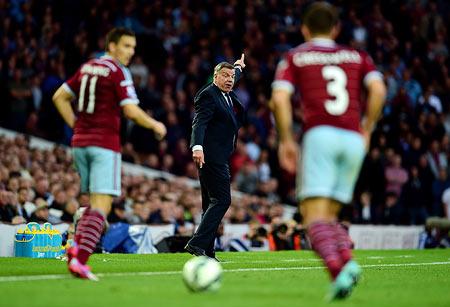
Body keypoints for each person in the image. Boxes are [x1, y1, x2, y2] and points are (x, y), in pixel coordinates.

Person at [270, 2, 386, 300]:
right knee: (330, 215)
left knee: (312, 217)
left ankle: (339, 271)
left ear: (305, 29)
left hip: (320, 134)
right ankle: (347, 261)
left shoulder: (296, 55)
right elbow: (378, 89)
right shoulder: (358, 55)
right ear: (336, 29)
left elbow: (280, 99)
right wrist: (368, 127)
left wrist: (286, 140)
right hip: (352, 138)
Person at [52, 27, 166, 280]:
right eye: (126, 46)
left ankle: (76, 249)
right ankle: (80, 259)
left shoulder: (87, 67)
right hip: (103, 145)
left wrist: (76, 126)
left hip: (80, 144)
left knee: (93, 203)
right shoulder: (117, 71)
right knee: (102, 207)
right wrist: (155, 124)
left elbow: (59, 97)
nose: (130, 53)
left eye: (133, 48)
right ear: (112, 46)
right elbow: (131, 111)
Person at [185, 54, 246, 261]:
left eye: (232, 76)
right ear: (215, 77)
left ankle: (207, 252)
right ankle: (196, 243)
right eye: (225, 76)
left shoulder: (226, 88)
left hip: (217, 155)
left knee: (209, 204)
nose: (230, 79)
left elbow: (234, 74)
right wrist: (197, 147)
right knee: (222, 199)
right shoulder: (208, 95)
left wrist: (238, 67)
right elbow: (199, 122)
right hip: (211, 156)